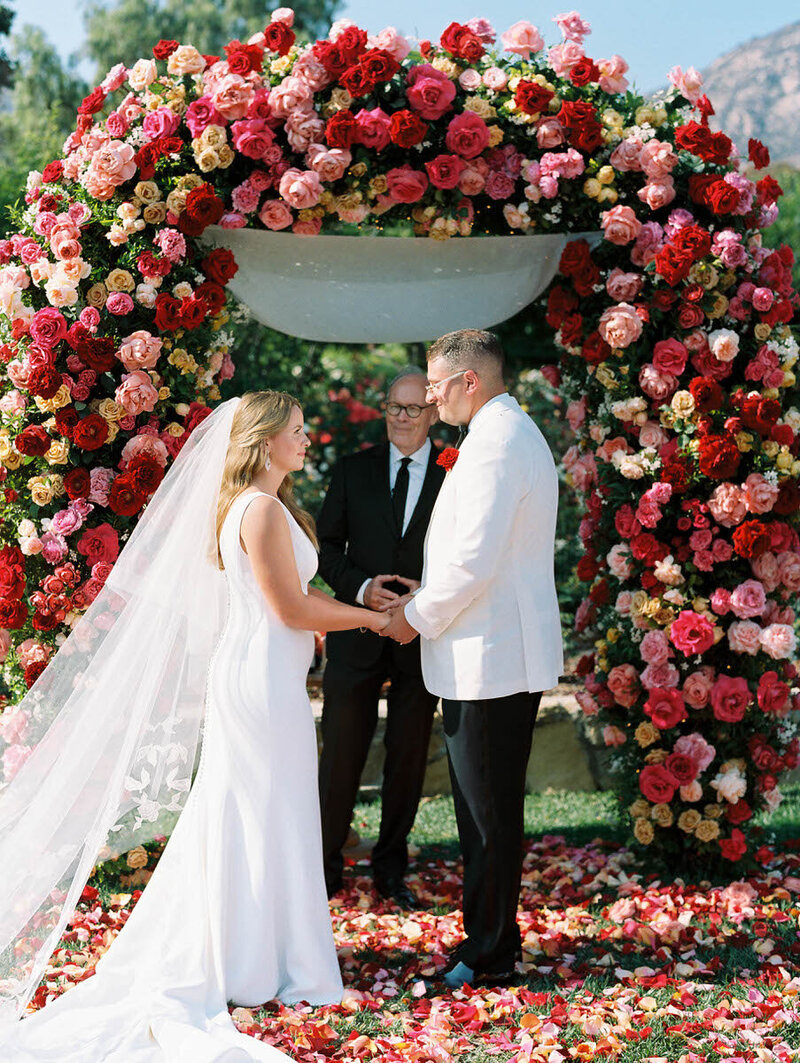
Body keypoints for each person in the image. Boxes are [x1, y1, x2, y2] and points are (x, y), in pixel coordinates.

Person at [0, 392, 390, 1061]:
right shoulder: (260, 509)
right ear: (267, 440)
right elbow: (290, 607)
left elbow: (291, 602)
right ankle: (253, 958)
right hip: (258, 682)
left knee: (268, 810)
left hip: (269, 676)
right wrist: (378, 621)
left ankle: (260, 953)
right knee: (257, 809)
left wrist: (358, 598)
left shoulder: (268, 505)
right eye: (297, 431)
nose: (307, 439)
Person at [382, 330, 563, 988]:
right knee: (488, 814)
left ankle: (487, 954)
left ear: (470, 382)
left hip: (491, 660)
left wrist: (413, 618)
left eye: (435, 384)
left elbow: (473, 563)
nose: (428, 397)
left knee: (486, 820)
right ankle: (496, 940)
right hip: (493, 655)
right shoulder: (507, 433)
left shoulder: (497, 443)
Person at [316, 368, 444, 908]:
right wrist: (362, 589)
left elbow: (471, 554)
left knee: (408, 756)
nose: (401, 417)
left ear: (434, 413)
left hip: (422, 637)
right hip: (356, 636)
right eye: (394, 406)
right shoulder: (354, 469)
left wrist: (427, 594)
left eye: (413, 409)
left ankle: (391, 868)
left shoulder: (457, 473)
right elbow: (325, 546)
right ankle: (323, 868)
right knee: (341, 753)